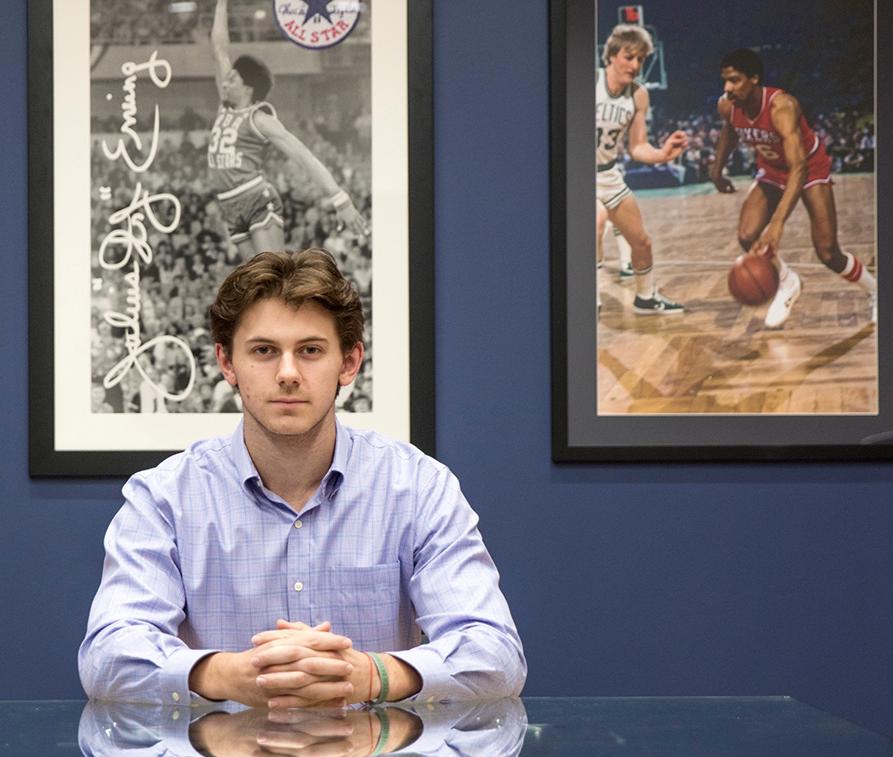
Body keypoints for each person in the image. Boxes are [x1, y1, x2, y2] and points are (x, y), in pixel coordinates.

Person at [79, 249, 526, 708]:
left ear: (349, 363)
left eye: (310, 351)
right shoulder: (163, 497)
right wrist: (228, 675)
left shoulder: (419, 489)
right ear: (227, 364)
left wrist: (372, 675)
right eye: (264, 351)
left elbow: (495, 653)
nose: (288, 373)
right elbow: (107, 656)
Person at [710, 49, 876, 328]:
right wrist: (716, 171)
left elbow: (798, 168)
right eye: (725, 80)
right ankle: (787, 282)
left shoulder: (781, 106)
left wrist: (777, 225)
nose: (728, 87)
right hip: (773, 169)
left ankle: (876, 291)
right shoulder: (727, 105)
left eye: (735, 80)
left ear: (754, 79)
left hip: (809, 168)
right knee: (748, 235)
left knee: (827, 252)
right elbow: (730, 131)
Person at [207, 0, 369, 261]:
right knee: (258, 288)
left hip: (256, 199)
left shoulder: (259, 119)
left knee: (272, 280)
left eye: (233, 78)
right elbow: (218, 50)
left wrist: (341, 199)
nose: (226, 82)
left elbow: (303, 155)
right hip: (229, 205)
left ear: (248, 88)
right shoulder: (225, 107)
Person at [596, 24, 688, 315]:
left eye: (640, 60)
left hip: (608, 175)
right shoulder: (587, 82)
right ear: (611, 55)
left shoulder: (638, 95)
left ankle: (645, 298)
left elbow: (637, 147)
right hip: (578, 175)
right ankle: (590, 298)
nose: (635, 65)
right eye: (628, 57)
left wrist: (663, 154)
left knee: (642, 241)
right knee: (596, 221)